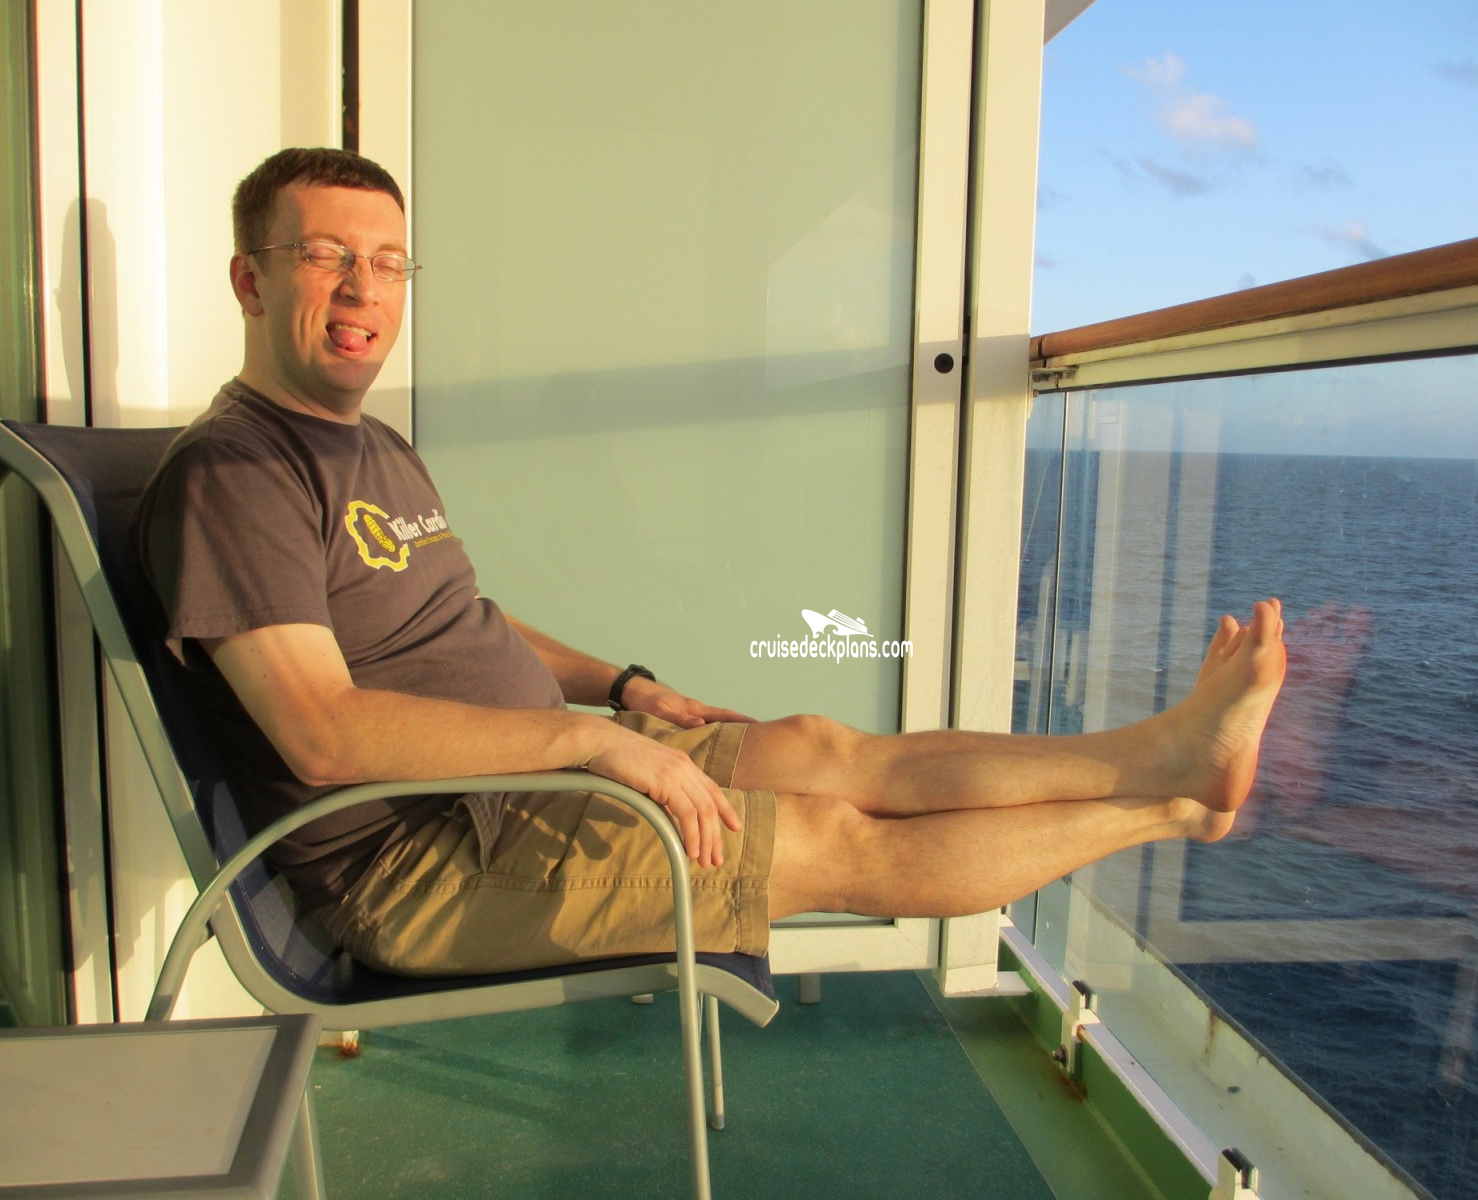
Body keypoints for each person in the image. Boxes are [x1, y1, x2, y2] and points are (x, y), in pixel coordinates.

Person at [135, 147, 1287, 976]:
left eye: (389, 263)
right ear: (251, 280)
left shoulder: (370, 444)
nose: (363, 289)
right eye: (326, 256)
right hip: (425, 855)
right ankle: (1173, 809)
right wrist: (590, 742)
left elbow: (462, 617)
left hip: (531, 770)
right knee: (836, 843)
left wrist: (622, 689)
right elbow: (323, 735)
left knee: (829, 749)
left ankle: (1157, 751)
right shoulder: (235, 474)